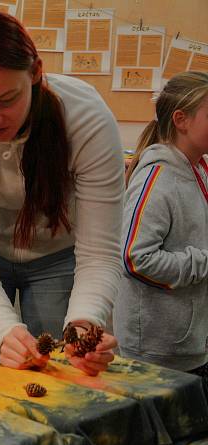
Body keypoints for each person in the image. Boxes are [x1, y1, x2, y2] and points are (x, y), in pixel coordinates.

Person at [0, 10, 122, 376]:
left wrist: (84, 321)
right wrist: (5, 332)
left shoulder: (87, 119)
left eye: (7, 99)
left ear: (35, 72)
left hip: (60, 258)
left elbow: (99, 253)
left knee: (66, 379)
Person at [115, 71, 208, 373]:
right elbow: (135, 259)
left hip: (190, 341)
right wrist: (203, 263)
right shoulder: (157, 178)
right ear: (181, 120)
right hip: (156, 351)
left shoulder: (198, 169)